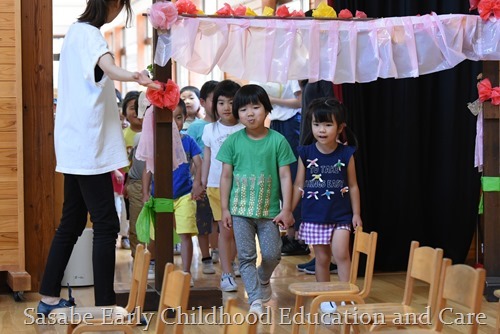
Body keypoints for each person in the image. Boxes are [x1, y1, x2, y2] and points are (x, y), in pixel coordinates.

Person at [37, 0, 156, 317]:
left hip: (74, 145)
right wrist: (135, 76)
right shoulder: (90, 34)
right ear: (114, 3)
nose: (120, 11)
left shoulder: (75, 33)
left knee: (72, 222)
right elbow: (108, 67)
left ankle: (48, 298)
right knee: (105, 224)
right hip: (89, 147)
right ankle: (107, 306)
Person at [218, 84, 296, 315]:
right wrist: (224, 208)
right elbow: (225, 176)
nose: (250, 113)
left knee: (273, 254)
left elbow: (285, 176)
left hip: (270, 212)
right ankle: (255, 300)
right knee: (246, 257)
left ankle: (263, 278)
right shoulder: (232, 142)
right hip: (240, 211)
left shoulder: (278, 141)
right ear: (237, 113)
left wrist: (287, 208)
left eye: (256, 107)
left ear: (267, 109)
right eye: (243, 109)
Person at [291, 97, 362, 314]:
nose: (321, 130)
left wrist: (356, 214)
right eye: (316, 124)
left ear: (340, 128)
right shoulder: (305, 152)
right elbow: (298, 185)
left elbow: (353, 185)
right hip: (314, 216)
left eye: (328, 124)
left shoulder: (346, 153)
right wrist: (289, 211)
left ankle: (346, 295)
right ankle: (325, 297)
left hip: (341, 216)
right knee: (321, 258)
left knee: (341, 254)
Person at [142, 100, 204, 287]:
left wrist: (198, 185)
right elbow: (148, 169)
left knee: (185, 234)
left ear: (184, 119)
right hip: (160, 196)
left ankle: (186, 273)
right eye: (168, 118)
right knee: (156, 235)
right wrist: (145, 192)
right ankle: (155, 265)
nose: (174, 122)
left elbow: (199, 163)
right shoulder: (156, 142)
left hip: (184, 195)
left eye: (178, 117)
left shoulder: (188, 141)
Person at [201, 80, 245, 292]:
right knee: (225, 231)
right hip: (216, 187)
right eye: (221, 102)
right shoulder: (210, 129)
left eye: (231, 102)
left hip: (242, 187)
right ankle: (227, 273)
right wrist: (202, 182)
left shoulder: (245, 127)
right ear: (214, 106)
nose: (226, 107)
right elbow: (207, 159)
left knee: (239, 231)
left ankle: (233, 261)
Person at [266, 80, 310, 257]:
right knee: (281, 178)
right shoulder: (265, 69)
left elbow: (300, 101)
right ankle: (290, 233)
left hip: (292, 123)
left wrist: (273, 100)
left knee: (293, 177)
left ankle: (300, 237)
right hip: (276, 123)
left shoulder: (291, 69)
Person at [187, 80, 219, 274]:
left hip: (221, 181)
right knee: (203, 221)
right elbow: (192, 157)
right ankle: (206, 256)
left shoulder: (229, 127)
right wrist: (195, 182)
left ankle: (218, 251)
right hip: (202, 180)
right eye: (216, 101)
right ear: (203, 102)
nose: (220, 106)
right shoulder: (197, 127)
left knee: (219, 221)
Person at [120, 90, 141, 250]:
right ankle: (136, 252)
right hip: (127, 181)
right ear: (124, 112)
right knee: (131, 217)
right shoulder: (122, 135)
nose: (136, 111)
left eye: (141, 107)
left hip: (146, 180)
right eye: (132, 107)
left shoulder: (152, 133)